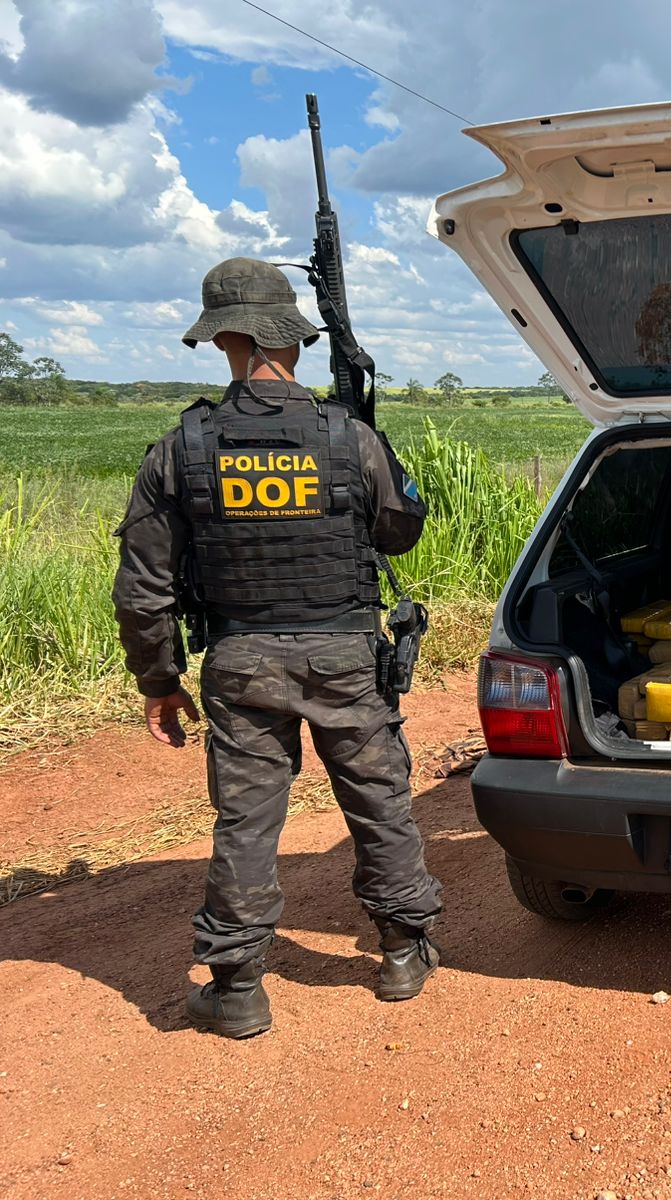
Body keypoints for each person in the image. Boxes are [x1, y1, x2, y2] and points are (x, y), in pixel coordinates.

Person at [112, 257, 444, 1039]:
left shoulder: (181, 448)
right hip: (345, 657)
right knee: (378, 800)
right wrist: (369, 445)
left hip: (241, 661)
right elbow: (401, 530)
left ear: (221, 339)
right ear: (292, 338)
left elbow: (143, 587)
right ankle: (402, 952)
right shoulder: (347, 437)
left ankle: (237, 989)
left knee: (247, 821)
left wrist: (159, 679)